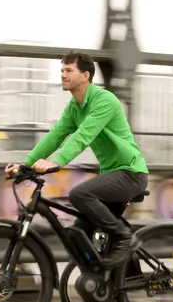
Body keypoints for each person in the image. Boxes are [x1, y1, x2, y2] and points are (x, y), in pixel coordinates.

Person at [9, 52, 148, 268]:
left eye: (69, 70)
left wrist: (57, 161)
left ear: (85, 75)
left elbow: (84, 135)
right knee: (78, 234)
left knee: (80, 194)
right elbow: (55, 136)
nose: (63, 75)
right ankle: (105, 283)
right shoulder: (75, 108)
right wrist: (27, 164)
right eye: (62, 71)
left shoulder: (104, 100)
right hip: (112, 175)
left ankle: (126, 237)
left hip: (130, 172)